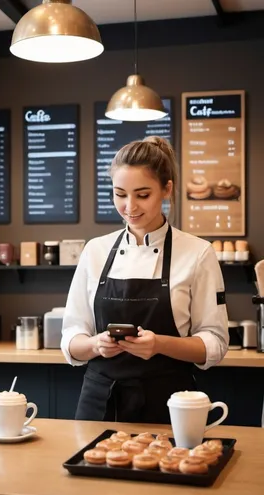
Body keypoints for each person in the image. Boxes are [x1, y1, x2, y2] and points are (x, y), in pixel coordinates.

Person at [61, 136, 229, 424]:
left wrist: (160, 344)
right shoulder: (95, 251)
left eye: (142, 194)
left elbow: (214, 343)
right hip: (99, 403)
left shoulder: (198, 253)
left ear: (166, 189)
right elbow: (71, 338)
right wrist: (95, 345)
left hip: (169, 403)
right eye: (119, 194)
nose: (129, 207)